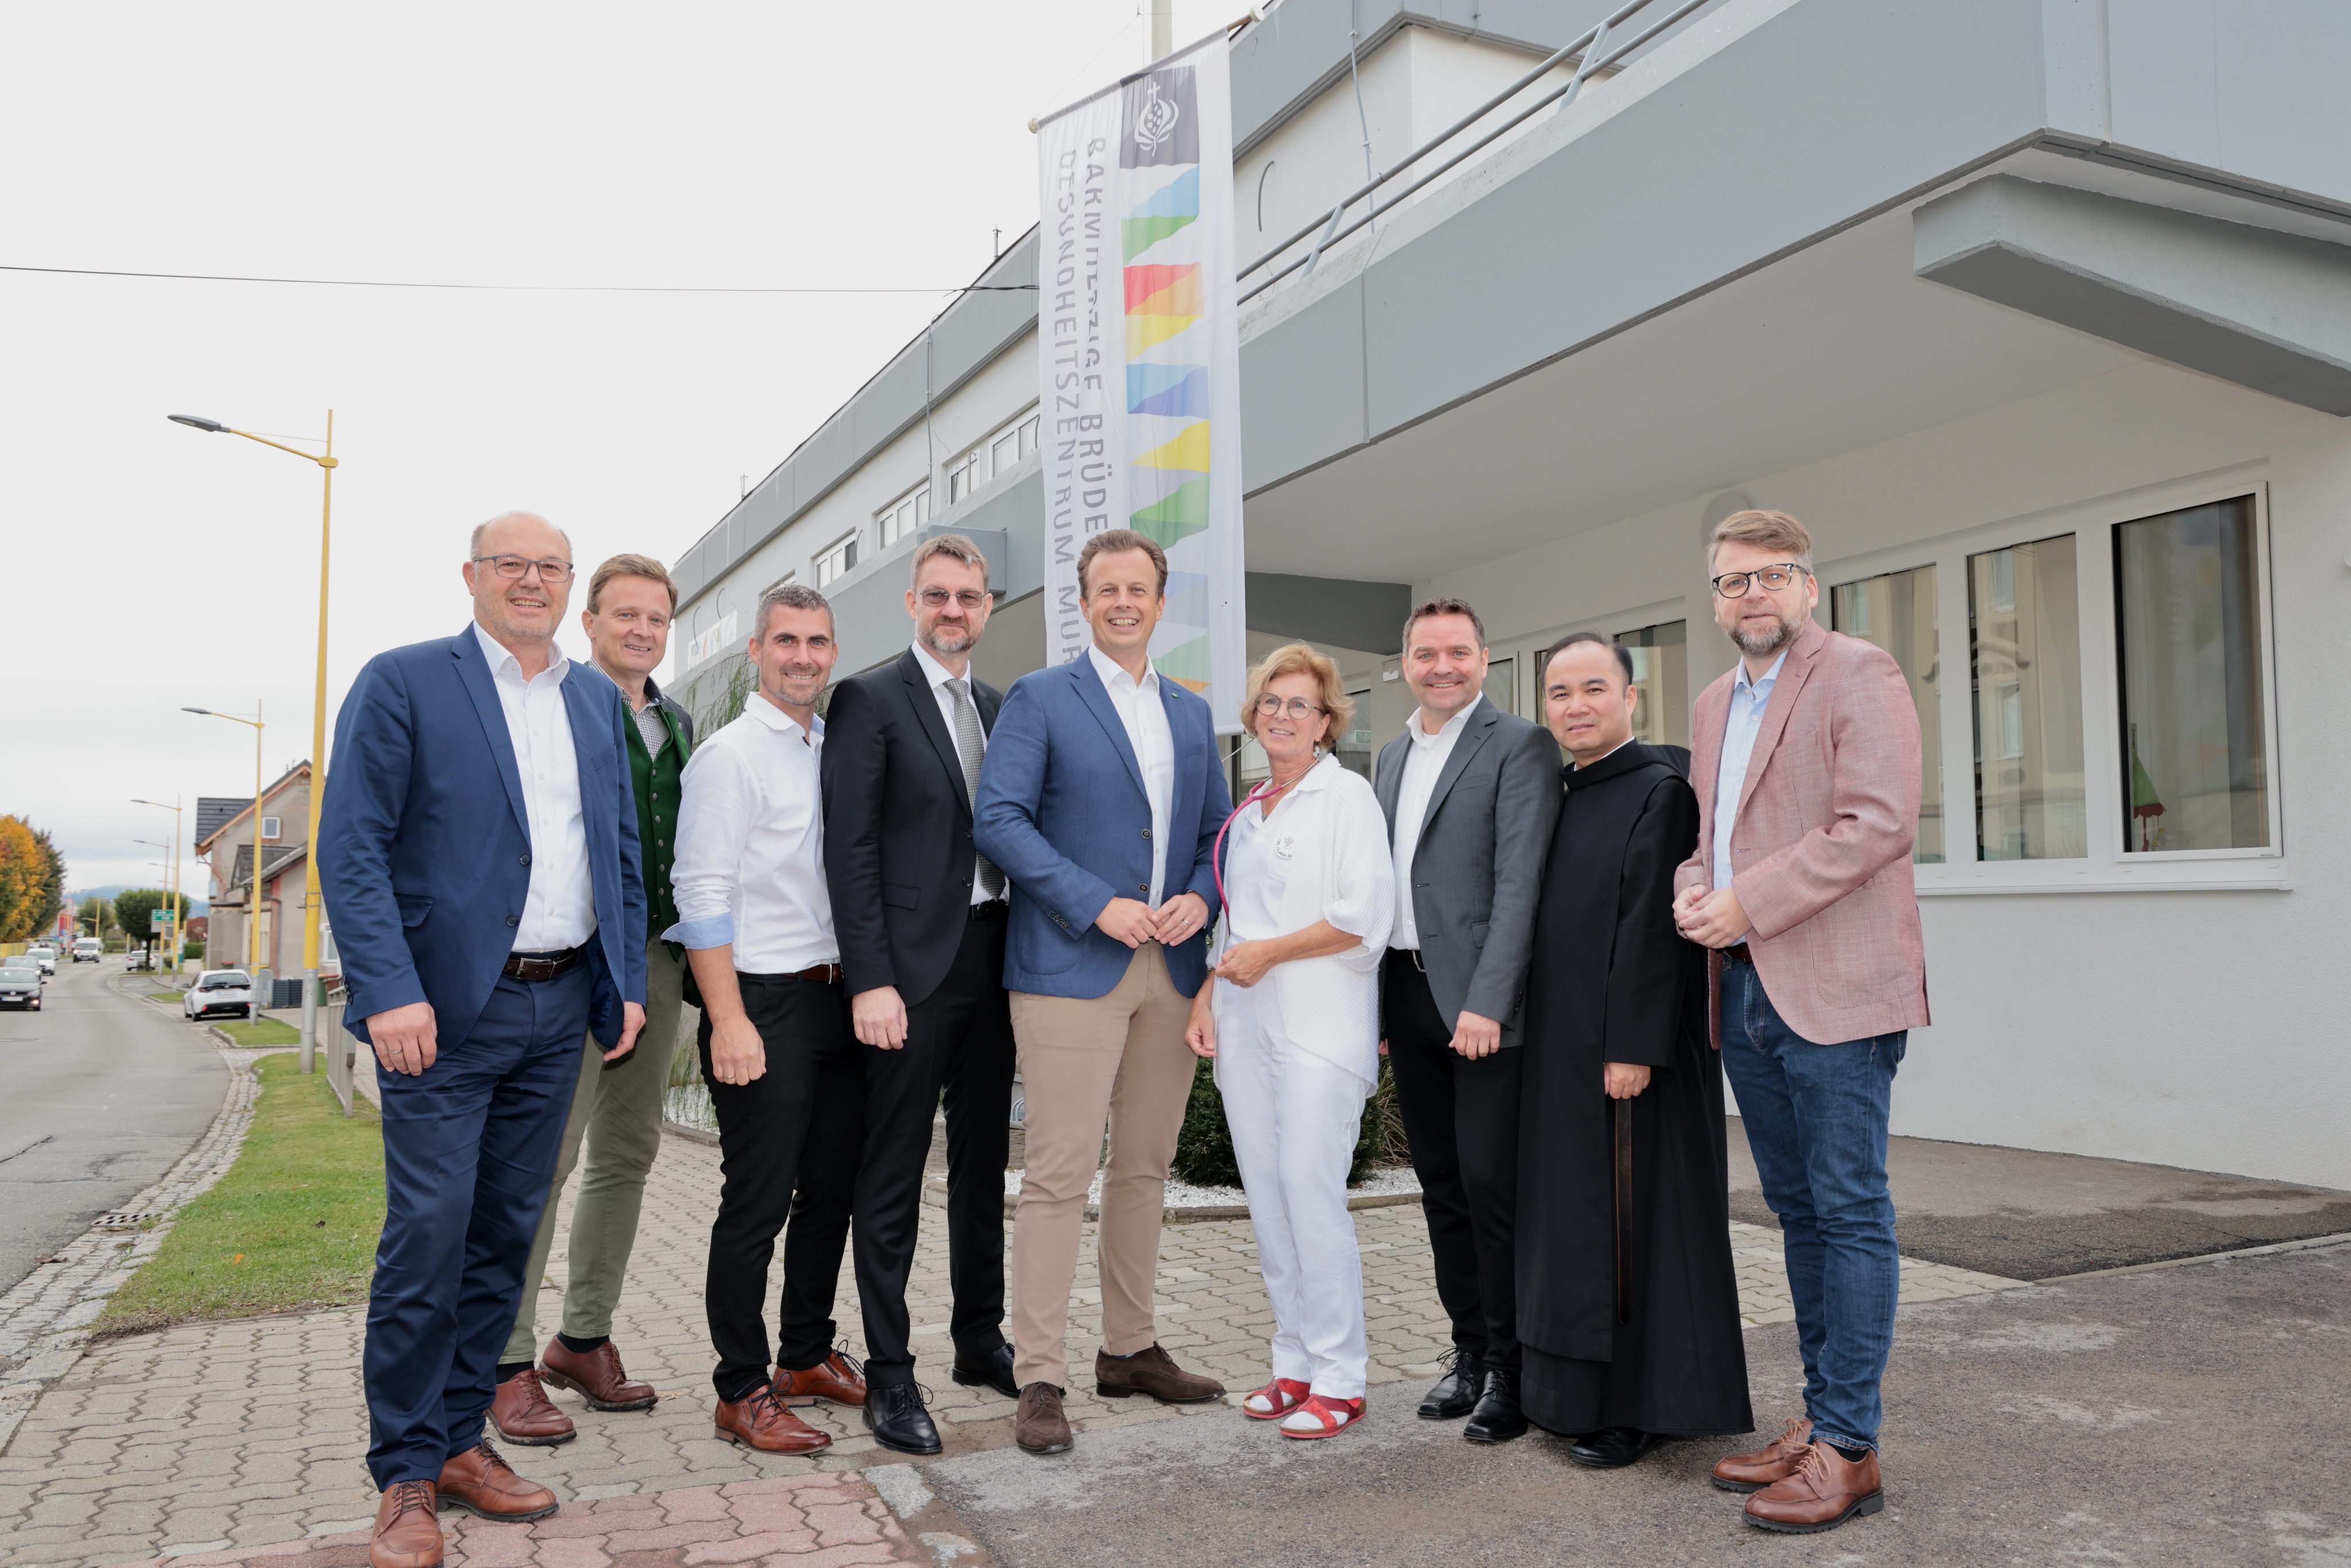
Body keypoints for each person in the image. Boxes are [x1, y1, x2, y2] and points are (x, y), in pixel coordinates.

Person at [319, 513, 647, 1568]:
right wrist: (388, 993)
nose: (532, 582)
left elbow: (621, 852)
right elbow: (352, 846)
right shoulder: (406, 681)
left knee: (505, 1239)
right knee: (429, 1235)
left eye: (551, 567)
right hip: (442, 1015)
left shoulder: (595, 700)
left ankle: (462, 1442)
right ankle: (406, 1473)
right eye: (511, 565)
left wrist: (626, 980)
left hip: (562, 1011)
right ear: (471, 576)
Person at [1671, 509, 1926, 1535]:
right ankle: (1823, 1420)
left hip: (1836, 986)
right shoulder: (1710, 703)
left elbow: (1877, 820)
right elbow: (1708, 835)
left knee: (1850, 1209)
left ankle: (1850, 1451)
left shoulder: (1860, 672)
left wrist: (1749, 901)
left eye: (1772, 576)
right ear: (1716, 598)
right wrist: (1698, 893)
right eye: (1733, 582)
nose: (1753, 596)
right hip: (1741, 985)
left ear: (1809, 586)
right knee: (1800, 1215)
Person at [972, 527, 1232, 1457]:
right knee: (1057, 1174)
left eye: (1140, 588)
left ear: (1162, 604)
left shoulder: (1192, 713)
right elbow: (997, 818)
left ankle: (1130, 1349)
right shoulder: (1043, 698)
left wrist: (1202, 898)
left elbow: (1217, 830)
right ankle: (1039, 1373)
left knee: (1145, 1169)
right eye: (1106, 589)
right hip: (1071, 967)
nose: (1123, 601)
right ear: (1083, 603)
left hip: (1171, 969)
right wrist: (1096, 904)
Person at [1516, 632, 1752, 1467]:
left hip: (1631, 1058)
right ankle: (1570, 1397)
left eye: (1592, 688)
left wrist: (1633, 1048)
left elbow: (1655, 931)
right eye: (1558, 694)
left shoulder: (1661, 792)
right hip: (1561, 1051)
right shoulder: (1559, 790)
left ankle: (1642, 1408)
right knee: (1577, 1227)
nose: (1575, 706)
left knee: (1635, 1227)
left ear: (1631, 698)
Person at [820, 534, 1020, 1455]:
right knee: (893, 1171)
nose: (953, 611)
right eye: (937, 596)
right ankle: (892, 1375)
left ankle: (979, 1340)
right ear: (912, 604)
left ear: (988, 607)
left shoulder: (996, 705)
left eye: (969, 597)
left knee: (984, 1166)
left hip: (994, 956)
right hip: (908, 972)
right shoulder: (867, 698)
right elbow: (850, 851)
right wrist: (872, 979)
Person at [491, 554, 695, 1446]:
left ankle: (583, 1336)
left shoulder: (676, 720)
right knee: (547, 1154)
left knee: (629, 1149)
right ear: (591, 622)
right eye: (625, 616)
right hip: (578, 954)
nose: (642, 631)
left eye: (656, 618)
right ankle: (503, 1359)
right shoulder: (560, 706)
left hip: (658, 955)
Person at [665, 583, 859, 1457]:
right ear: (756, 651)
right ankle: (740, 1388)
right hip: (764, 1002)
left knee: (831, 1194)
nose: (804, 656)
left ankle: (805, 1357)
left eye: (818, 641)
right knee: (757, 1203)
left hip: (837, 997)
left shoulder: (834, 747)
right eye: (787, 641)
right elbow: (699, 893)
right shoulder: (730, 757)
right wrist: (728, 1018)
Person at [1184, 643, 1392, 1440]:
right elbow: (1234, 921)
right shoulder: (1251, 808)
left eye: (1298, 705)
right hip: (1245, 1030)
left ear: (1326, 723)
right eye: (1270, 702)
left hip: (1318, 1032)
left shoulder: (1349, 800)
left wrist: (1269, 954)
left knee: (1311, 1194)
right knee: (1269, 1203)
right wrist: (1207, 993)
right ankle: (1294, 1363)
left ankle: (1342, 1376)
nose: (1281, 715)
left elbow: (1363, 919)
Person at [1374, 597, 1560, 1445]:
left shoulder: (1519, 744)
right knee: (1442, 1187)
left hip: (1480, 1005)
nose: (1441, 666)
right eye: (1425, 653)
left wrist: (1490, 999)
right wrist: (1377, 1006)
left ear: (1485, 658)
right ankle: (1469, 1354)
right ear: (1405, 663)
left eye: (1457, 651)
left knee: (1493, 1189)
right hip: (1406, 994)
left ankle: (1515, 1374)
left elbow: (1522, 885)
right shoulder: (1389, 755)